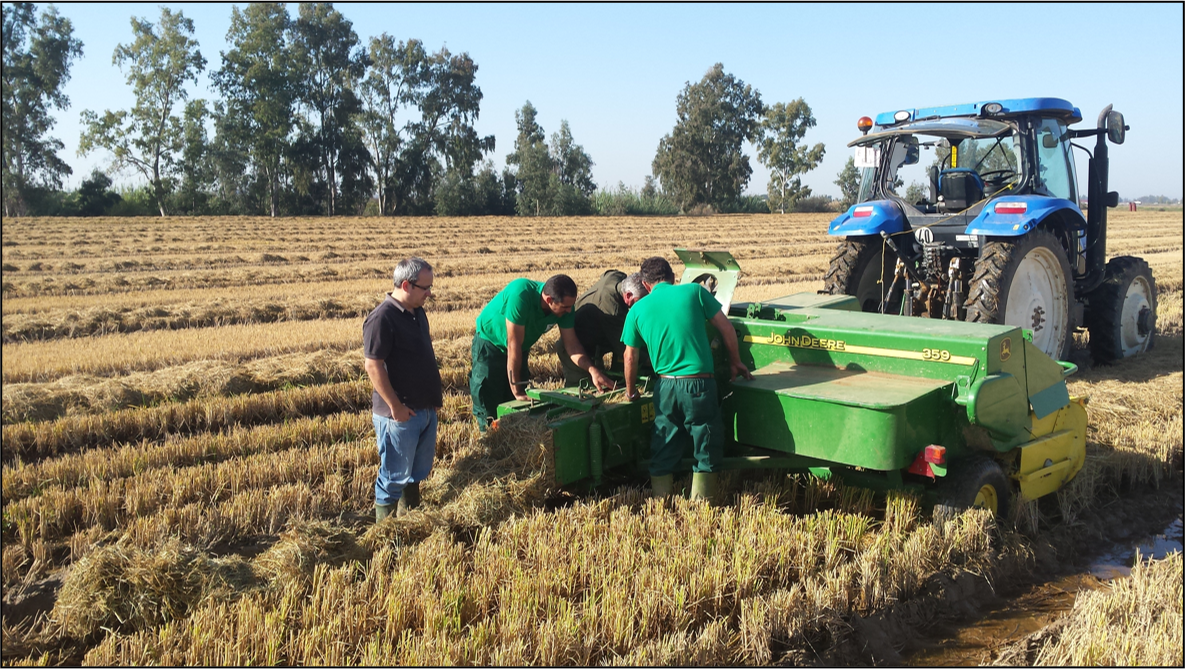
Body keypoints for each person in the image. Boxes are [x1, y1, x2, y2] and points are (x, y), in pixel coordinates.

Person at [621, 256, 752, 502]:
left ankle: (661, 503)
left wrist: (631, 391)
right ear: (672, 277)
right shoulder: (695, 292)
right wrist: (735, 361)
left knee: (664, 440)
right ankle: (703, 506)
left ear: (646, 285)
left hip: (666, 385)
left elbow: (630, 357)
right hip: (700, 384)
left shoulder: (637, 310)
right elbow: (725, 327)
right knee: (706, 441)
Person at [470, 274, 614, 431]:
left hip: (521, 348)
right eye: (565, 307)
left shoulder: (565, 308)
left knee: (518, 409)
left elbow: (572, 346)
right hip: (490, 345)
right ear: (549, 300)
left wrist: (593, 371)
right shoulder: (521, 294)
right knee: (489, 403)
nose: (569, 311)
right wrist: (517, 389)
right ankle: (488, 444)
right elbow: (513, 345)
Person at [363, 257, 442, 522]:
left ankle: (409, 524)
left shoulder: (417, 312)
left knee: (415, 474)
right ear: (407, 285)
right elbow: (373, 366)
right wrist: (396, 407)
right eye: (425, 288)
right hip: (399, 414)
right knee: (393, 477)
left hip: (423, 409)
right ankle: (385, 533)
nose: (430, 293)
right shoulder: (382, 318)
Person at [554, 270, 649, 387]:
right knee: (586, 392)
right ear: (628, 296)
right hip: (576, 350)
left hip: (596, 342)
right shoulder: (611, 311)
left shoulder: (617, 278)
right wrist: (654, 361)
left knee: (608, 383)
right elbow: (626, 348)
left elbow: (607, 273)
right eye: (640, 302)